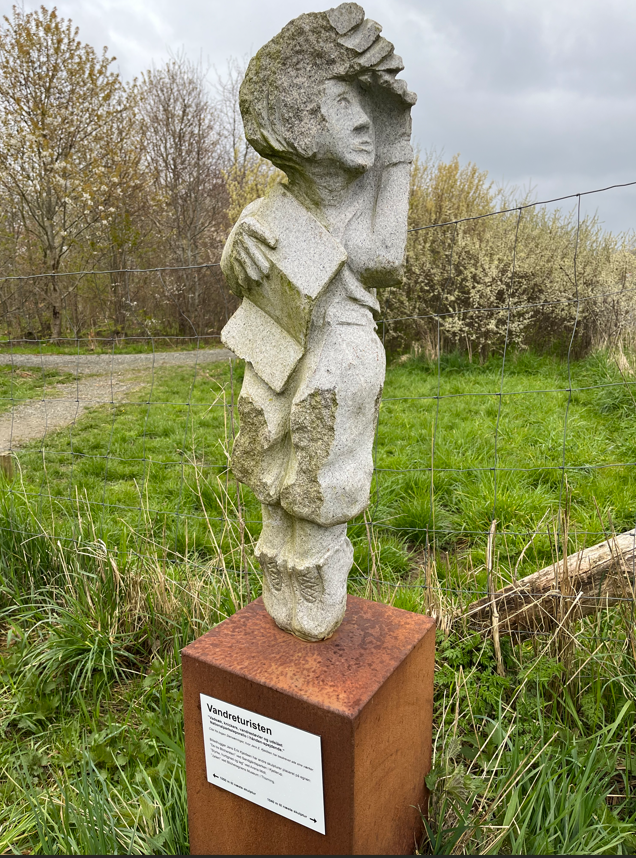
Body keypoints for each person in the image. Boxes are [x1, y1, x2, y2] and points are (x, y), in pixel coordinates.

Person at [221, 3, 416, 640]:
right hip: (278, 345)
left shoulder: (363, 204)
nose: (363, 120)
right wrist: (238, 249)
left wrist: (400, 147)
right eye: (342, 104)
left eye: (368, 107)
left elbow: (384, 258)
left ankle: (316, 574)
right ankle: (277, 564)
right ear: (301, 123)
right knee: (265, 450)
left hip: (342, 344)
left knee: (319, 459)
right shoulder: (271, 208)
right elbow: (241, 265)